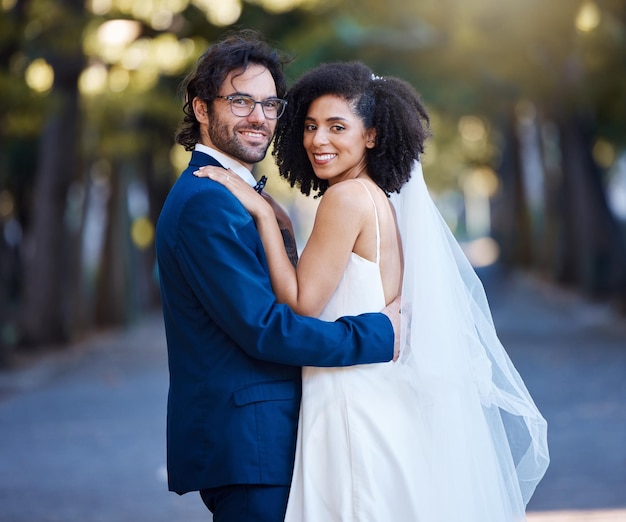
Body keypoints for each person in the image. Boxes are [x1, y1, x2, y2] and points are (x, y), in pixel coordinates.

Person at [197, 61, 550, 520]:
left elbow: (303, 304)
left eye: (336, 127)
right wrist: (284, 225)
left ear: (371, 136)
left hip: (349, 401)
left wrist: (264, 218)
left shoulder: (345, 199)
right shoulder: (374, 196)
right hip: (374, 392)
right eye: (309, 126)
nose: (317, 140)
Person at [155, 33, 402, 522]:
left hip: (271, 440)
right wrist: (381, 334)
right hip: (251, 447)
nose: (259, 117)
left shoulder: (238, 195)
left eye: (270, 104)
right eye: (240, 100)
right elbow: (265, 328)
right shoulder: (207, 201)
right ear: (202, 109)